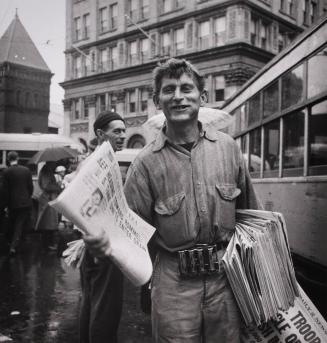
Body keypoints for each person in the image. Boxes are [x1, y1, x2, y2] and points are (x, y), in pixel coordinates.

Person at [84, 58, 262, 343]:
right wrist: (104, 245)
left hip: (225, 280)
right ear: (157, 100)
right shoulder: (145, 163)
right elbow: (128, 231)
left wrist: (259, 278)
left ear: (202, 97)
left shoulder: (228, 149)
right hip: (173, 283)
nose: (178, 96)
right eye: (168, 90)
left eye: (186, 88)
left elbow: (252, 217)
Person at [79, 110, 126, 343]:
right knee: (105, 308)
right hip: (102, 244)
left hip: (93, 242)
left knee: (92, 302)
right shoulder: (98, 164)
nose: (123, 136)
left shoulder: (101, 160)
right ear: (100, 134)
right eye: (116, 131)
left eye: (124, 131)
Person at [2, 151, 34, 256]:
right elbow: (30, 187)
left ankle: (10, 244)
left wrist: (6, 205)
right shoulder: (26, 170)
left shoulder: (6, 172)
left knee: (12, 223)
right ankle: (14, 246)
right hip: (25, 203)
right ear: (18, 158)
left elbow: (5, 191)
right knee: (19, 224)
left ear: (8, 159)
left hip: (12, 203)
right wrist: (27, 197)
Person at [35, 161, 61, 250]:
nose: (55, 165)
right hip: (48, 199)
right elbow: (46, 186)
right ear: (51, 163)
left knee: (47, 222)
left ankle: (46, 244)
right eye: (54, 163)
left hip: (48, 198)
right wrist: (58, 186)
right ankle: (47, 245)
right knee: (48, 223)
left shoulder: (46, 170)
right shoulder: (46, 171)